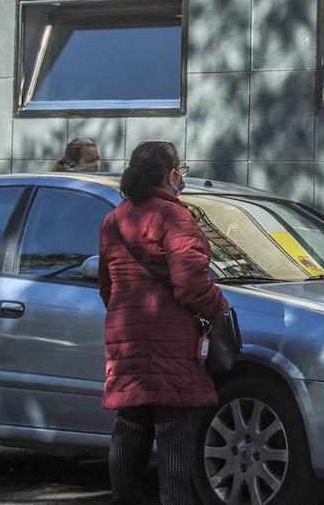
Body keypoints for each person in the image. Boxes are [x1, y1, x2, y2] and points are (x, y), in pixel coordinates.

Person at [98, 141, 229, 505]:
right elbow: (190, 283)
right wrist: (220, 307)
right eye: (180, 169)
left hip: (124, 334)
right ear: (170, 174)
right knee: (175, 436)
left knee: (131, 425)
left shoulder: (114, 219)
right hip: (171, 337)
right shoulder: (174, 216)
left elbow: (106, 286)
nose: (181, 177)